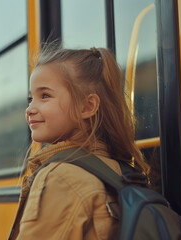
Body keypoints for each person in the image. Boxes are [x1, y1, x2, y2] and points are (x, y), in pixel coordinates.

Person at [8, 44, 150, 240]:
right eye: (30, 99)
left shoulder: (61, 177)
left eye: (45, 96)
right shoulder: (121, 171)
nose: (30, 109)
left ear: (87, 106)